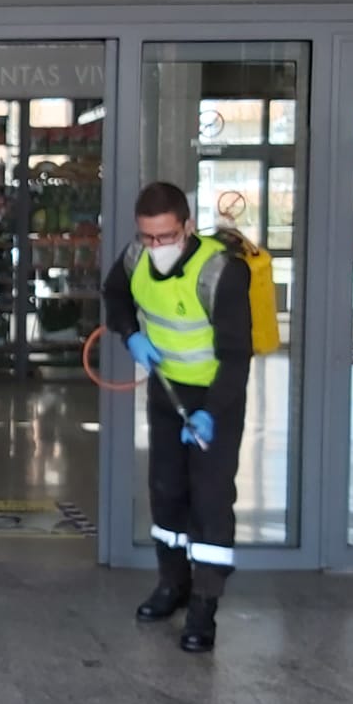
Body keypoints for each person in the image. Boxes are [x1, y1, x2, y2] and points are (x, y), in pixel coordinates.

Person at [101, 182, 253, 653]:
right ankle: (173, 584)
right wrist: (130, 335)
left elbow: (236, 356)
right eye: (148, 237)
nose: (156, 247)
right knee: (166, 494)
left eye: (165, 237)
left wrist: (210, 413)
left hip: (214, 399)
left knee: (209, 501)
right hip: (167, 394)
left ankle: (205, 605)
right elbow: (115, 295)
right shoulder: (135, 258)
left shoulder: (220, 273)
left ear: (187, 227)